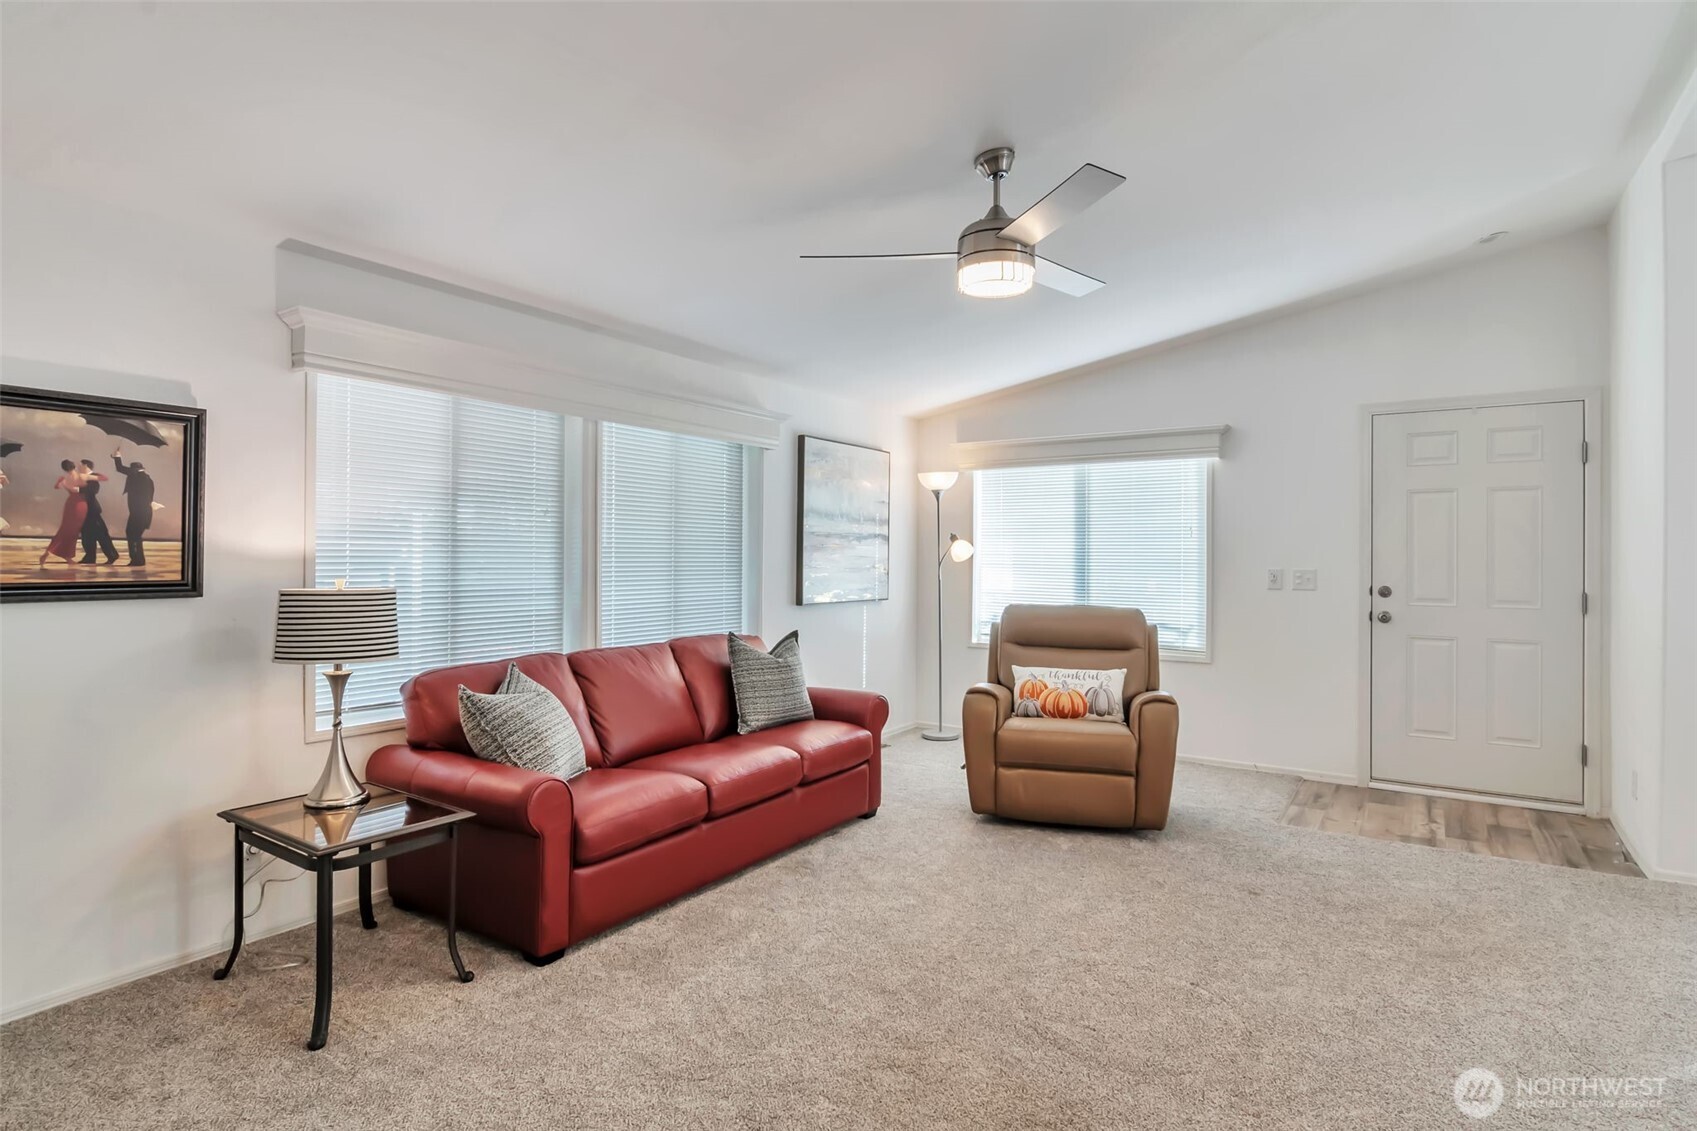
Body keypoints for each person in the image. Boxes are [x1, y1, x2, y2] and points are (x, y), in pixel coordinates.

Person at [111, 448, 156, 566]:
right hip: (143, 513)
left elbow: (120, 468)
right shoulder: (146, 479)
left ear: (134, 470)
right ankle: (139, 560)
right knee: (135, 536)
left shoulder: (138, 477)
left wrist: (117, 456)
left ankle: (137, 560)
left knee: (132, 534)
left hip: (138, 513)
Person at [39, 460, 88, 567]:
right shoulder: (81, 476)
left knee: (65, 530)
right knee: (71, 531)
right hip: (80, 504)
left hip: (71, 504)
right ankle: (65, 556)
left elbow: (57, 486)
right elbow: (84, 489)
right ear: (74, 466)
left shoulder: (65, 479)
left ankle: (62, 555)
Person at [77, 459, 117, 565]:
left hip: (92, 511)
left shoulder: (93, 477)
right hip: (84, 510)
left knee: (101, 534)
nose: (78, 467)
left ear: (86, 465)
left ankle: (112, 555)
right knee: (86, 535)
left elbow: (94, 491)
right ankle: (89, 557)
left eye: (80, 465)